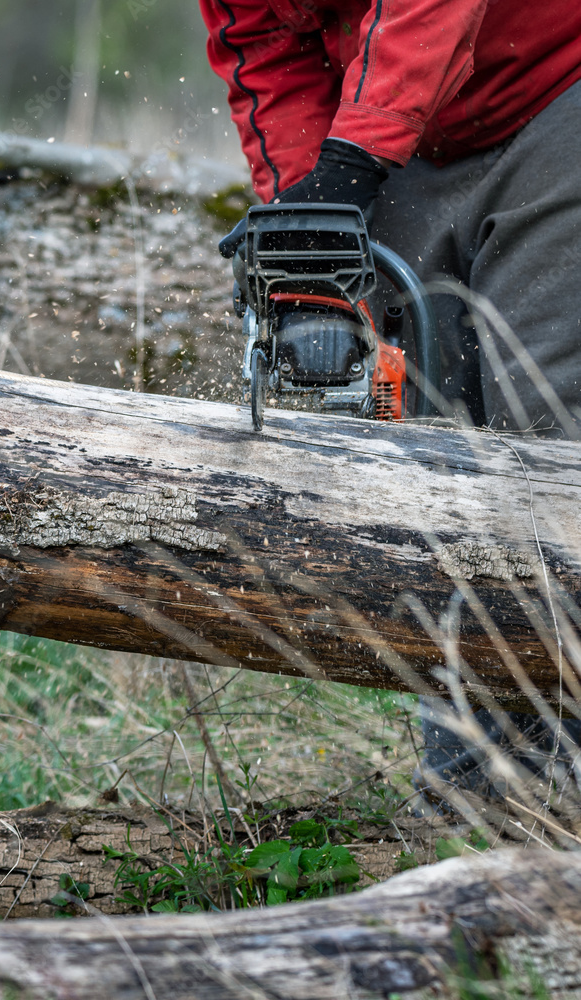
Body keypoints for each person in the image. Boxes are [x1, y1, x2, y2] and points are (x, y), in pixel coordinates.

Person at [199, 0, 581, 806]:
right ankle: (476, 782)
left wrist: (351, 161)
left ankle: (565, 772)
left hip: (556, 86)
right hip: (399, 134)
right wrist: (310, 220)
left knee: (549, 431)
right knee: (433, 461)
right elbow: (262, 50)